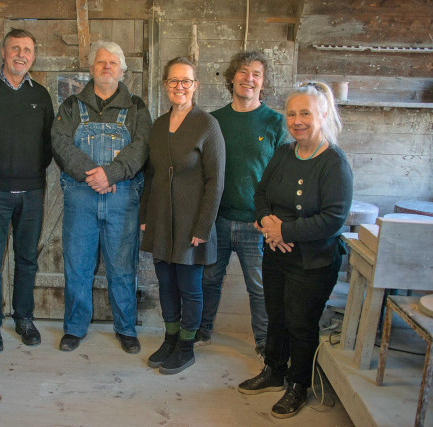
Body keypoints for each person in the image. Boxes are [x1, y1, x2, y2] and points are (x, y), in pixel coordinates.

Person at [237, 81, 353, 418]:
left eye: (305, 113)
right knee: (276, 315)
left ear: (323, 114)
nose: (296, 120)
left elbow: (332, 219)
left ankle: (298, 384)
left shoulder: (334, 162)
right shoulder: (285, 153)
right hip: (276, 252)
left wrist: (283, 229)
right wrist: (267, 224)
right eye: (291, 113)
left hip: (313, 261)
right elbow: (261, 194)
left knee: (301, 324)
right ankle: (274, 370)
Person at [51, 41, 152, 353]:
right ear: (92, 69)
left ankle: (126, 328)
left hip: (122, 197)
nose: (107, 67)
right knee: (77, 265)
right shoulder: (70, 107)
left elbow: (143, 145)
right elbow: (60, 142)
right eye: (101, 62)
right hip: (81, 197)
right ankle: (75, 327)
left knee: (123, 266)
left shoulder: (136, 107)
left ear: (122, 71)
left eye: (113, 63)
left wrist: (113, 173)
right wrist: (93, 173)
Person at [198, 51, 289, 356]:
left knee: (259, 288)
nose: (249, 78)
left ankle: (264, 343)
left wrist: (272, 218)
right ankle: (202, 331)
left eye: (256, 74)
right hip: (218, 220)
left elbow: (285, 176)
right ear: (232, 77)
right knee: (209, 280)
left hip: (257, 223)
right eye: (243, 71)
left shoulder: (276, 123)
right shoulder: (214, 121)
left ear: (263, 83)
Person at [140, 57, 225, 375]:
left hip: (192, 223)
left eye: (185, 81)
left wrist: (203, 227)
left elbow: (216, 181)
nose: (179, 87)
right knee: (165, 285)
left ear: (195, 86)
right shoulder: (159, 125)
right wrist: (145, 215)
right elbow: (151, 174)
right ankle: (170, 338)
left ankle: (187, 347)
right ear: (165, 85)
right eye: (174, 81)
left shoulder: (207, 125)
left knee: (189, 287)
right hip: (161, 219)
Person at [0, 28, 54, 351]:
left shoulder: (41, 96)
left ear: (33, 56)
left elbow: (48, 144)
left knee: (27, 259)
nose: (21, 54)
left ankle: (24, 318)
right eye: (15, 48)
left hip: (32, 191)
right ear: (3, 53)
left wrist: (30, 171)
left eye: (27, 50)